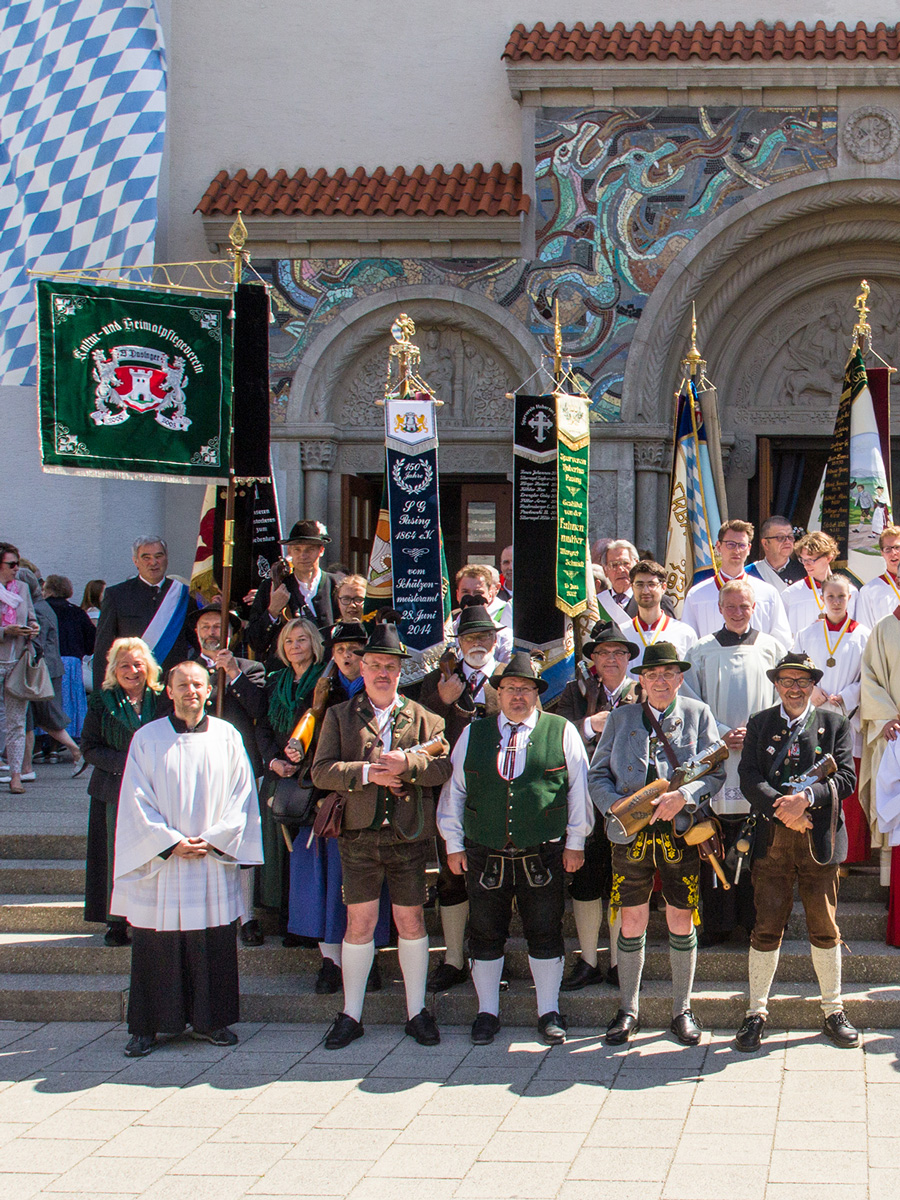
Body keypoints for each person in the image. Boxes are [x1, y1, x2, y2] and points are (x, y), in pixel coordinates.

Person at [438, 652, 592, 1045]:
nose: (517, 696)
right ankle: (487, 1012)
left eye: (525, 689)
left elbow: (579, 790)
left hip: (543, 850)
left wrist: (576, 842)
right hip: (483, 850)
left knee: (545, 929)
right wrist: (453, 843)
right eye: (510, 688)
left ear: (537, 694)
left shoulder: (561, 730)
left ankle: (549, 1012)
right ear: (499, 693)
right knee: (485, 931)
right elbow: (454, 792)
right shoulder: (474, 733)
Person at [112, 660, 263, 1057]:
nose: (191, 691)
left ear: (209, 690)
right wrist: (169, 842)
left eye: (198, 684)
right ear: (169, 691)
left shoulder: (227, 737)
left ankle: (211, 1022)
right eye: (182, 685)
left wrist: (214, 839)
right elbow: (135, 799)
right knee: (155, 945)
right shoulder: (147, 738)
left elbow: (242, 796)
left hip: (210, 859)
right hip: (164, 863)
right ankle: (148, 1026)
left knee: (211, 941)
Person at [311, 623, 451, 1049]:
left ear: (400, 671)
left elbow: (443, 768)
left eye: (390, 666)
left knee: (411, 921)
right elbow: (320, 772)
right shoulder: (339, 715)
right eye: (375, 665)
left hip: (407, 837)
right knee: (360, 923)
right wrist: (369, 773)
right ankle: (351, 1014)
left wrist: (408, 765)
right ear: (363, 669)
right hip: (358, 836)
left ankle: (416, 1012)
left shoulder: (426, 718)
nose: (383, 673)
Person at [588, 642, 727, 1046]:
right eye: (652, 674)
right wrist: (616, 807)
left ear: (680, 678)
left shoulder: (698, 714)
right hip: (630, 833)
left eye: (668, 674)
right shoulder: (621, 717)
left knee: (681, 917)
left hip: (680, 832)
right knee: (631, 919)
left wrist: (684, 796)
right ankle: (628, 1009)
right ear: (642, 680)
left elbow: (716, 773)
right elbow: (597, 775)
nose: (660, 681)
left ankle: (682, 1009)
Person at [733, 652, 858, 1051]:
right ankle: (755, 1012)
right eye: (787, 681)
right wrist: (783, 810)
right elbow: (748, 776)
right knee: (767, 926)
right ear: (776, 684)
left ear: (812, 685)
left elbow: (847, 778)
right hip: (772, 838)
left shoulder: (835, 724)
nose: (795, 688)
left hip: (819, 839)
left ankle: (833, 1010)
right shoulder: (760, 723)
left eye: (803, 681)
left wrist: (806, 798)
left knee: (825, 926)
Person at [284, 621, 390, 992]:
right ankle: (331, 961)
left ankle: (367, 959)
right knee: (324, 886)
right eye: (341, 649)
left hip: (370, 801)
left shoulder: (381, 691)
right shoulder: (318, 688)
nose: (348, 656)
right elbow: (297, 735)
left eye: (356, 650)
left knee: (368, 886)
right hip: (325, 801)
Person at [681, 580, 780, 944]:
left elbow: (783, 699)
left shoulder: (771, 648)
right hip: (717, 755)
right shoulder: (701, 650)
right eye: (731, 606)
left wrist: (755, 734)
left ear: (754, 608)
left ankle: (756, 921)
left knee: (759, 844)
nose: (738, 613)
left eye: (745, 606)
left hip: (759, 756)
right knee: (715, 839)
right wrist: (721, 733)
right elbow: (691, 701)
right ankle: (718, 924)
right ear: (720, 609)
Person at [419, 603, 503, 991]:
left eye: (485, 636)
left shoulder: (510, 677)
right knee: (452, 876)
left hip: (498, 793)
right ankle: (453, 958)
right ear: (459, 643)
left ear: (495, 640)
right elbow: (416, 728)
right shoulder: (437, 680)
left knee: (494, 879)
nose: (478, 643)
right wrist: (441, 699)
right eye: (470, 637)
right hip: (449, 791)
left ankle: (490, 957)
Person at [556, 622, 639, 990]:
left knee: (623, 881)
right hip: (585, 801)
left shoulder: (640, 692)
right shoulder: (575, 692)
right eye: (604, 653)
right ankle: (588, 960)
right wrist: (590, 725)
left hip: (628, 803)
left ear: (628, 659)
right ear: (593, 659)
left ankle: (621, 962)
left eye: (619, 653)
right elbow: (555, 732)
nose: (611, 659)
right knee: (586, 881)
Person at [81, 637, 162, 946]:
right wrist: (126, 764)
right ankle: (116, 922)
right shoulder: (102, 701)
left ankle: (150, 916)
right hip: (113, 790)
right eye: (125, 665)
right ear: (114, 669)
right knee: (115, 855)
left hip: (156, 789)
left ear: (148, 667)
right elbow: (89, 747)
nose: (132, 671)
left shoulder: (162, 699)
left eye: (138, 664)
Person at [255, 618, 327, 937]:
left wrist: (303, 764)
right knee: (279, 854)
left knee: (309, 854)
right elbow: (262, 727)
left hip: (311, 780)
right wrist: (274, 761)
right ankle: (285, 919)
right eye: (289, 641)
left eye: (301, 640)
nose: (295, 646)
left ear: (314, 644)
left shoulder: (326, 681)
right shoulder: (274, 682)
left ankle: (308, 925)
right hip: (278, 776)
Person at [794, 575, 871, 865]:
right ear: (822, 598)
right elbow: (794, 669)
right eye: (831, 597)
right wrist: (810, 688)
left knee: (847, 783)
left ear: (850, 599)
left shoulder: (864, 635)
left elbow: (872, 677)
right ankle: (815, 849)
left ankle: (848, 856)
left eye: (842, 597)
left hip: (848, 717)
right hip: (814, 715)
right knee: (814, 780)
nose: (836, 602)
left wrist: (848, 695)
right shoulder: (807, 633)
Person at [93, 537, 195, 690]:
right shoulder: (117, 595)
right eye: (146, 557)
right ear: (135, 561)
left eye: (158, 556)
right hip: (132, 683)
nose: (153, 562)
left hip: (172, 685)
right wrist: (101, 693)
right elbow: (103, 647)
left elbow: (198, 642)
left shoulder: (183, 595)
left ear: (166, 558)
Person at [681, 520, 792, 651]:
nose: (737, 550)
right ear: (718, 546)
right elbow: (688, 643)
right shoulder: (697, 595)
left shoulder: (768, 594)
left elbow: (782, 643)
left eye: (742, 545)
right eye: (730, 544)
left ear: (749, 549)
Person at [859, 606, 900, 945]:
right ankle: (894, 894)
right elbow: (869, 677)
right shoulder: (885, 629)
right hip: (896, 735)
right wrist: (886, 717)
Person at [17, 567, 84, 775]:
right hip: (46, 668)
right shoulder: (42, 606)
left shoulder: (37, 609)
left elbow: (37, 642)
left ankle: (74, 752)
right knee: (38, 718)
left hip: (39, 670)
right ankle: (26, 767)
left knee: (38, 717)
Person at [247, 520, 337, 659]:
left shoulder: (336, 585)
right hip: (284, 669)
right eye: (297, 549)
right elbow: (256, 643)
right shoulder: (271, 587)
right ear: (289, 551)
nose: (303, 555)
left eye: (309, 549)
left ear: (321, 551)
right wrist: (273, 610)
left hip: (326, 667)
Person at [0, 542, 39, 794]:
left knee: (16, 721)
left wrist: (32, 628)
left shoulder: (22, 588)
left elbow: (32, 617)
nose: (17, 568)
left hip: (18, 663)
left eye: (17, 563)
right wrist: (6, 631)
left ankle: (16, 775)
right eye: (11, 564)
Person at [42, 575, 96, 740]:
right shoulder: (76, 612)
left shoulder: (42, 609)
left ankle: (44, 738)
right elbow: (92, 639)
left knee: (47, 701)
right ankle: (68, 736)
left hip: (47, 661)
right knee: (70, 701)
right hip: (72, 662)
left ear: (49, 589)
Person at [618, 559, 696, 672]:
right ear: (632, 587)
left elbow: (692, 676)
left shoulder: (685, 633)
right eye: (639, 585)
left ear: (663, 587)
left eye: (651, 584)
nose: (645, 591)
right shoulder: (622, 634)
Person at [780, 531, 856, 638]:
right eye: (803, 560)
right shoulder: (791, 594)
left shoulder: (850, 592)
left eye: (811, 560)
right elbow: (783, 634)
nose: (806, 565)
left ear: (828, 557)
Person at [452, 565, 513, 661]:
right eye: (465, 592)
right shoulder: (446, 634)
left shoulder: (504, 636)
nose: (471, 598)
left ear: (490, 595)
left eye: (478, 593)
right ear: (457, 595)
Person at [856, 525, 900, 630]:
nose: (893, 553)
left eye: (897, 547)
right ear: (882, 553)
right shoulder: (869, 592)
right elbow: (865, 631)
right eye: (888, 549)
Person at [746, 516, 805, 592]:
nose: (787, 541)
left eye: (790, 537)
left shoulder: (804, 572)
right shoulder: (749, 573)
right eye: (780, 537)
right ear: (765, 543)